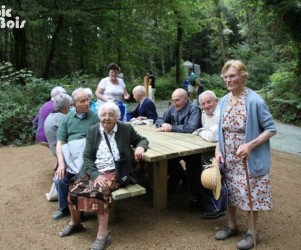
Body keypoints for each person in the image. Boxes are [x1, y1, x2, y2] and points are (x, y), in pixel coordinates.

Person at [58, 101, 149, 250]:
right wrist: (95, 174)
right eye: (103, 114)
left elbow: (141, 139)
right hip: (94, 170)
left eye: (111, 115)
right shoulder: (93, 130)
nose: (106, 118)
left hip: (116, 172)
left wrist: (140, 147)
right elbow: (87, 156)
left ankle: (103, 236)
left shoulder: (125, 129)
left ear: (117, 117)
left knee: (100, 193)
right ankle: (76, 223)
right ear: (99, 116)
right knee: (73, 192)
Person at [214, 60, 277, 250]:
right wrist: (218, 149)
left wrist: (250, 145)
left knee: (250, 194)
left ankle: (252, 232)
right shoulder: (224, 100)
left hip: (248, 158)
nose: (228, 80)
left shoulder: (255, 100)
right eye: (225, 77)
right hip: (229, 157)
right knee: (230, 192)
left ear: (243, 76)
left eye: (232, 76)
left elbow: (271, 129)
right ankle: (232, 226)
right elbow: (221, 131)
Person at [53, 88, 99, 220]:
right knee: (59, 179)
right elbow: (60, 143)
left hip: (87, 157)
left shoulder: (94, 117)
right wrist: (61, 164)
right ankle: (63, 208)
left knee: (81, 178)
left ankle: (80, 209)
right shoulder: (66, 119)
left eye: (88, 99)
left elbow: (98, 140)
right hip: (70, 156)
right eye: (83, 101)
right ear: (74, 104)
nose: (87, 103)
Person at [155, 88, 202, 199]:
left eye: (177, 100)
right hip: (175, 144)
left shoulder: (194, 109)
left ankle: (195, 196)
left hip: (192, 147)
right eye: (173, 100)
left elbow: (190, 128)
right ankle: (180, 177)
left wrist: (171, 127)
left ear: (185, 99)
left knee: (193, 164)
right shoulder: (172, 107)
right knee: (165, 159)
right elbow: (158, 119)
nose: (174, 103)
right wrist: (163, 124)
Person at [193, 90, 226, 219]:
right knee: (196, 168)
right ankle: (205, 202)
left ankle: (217, 208)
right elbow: (208, 133)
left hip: (220, 150)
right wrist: (205, 132)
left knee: (215, 178)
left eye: (209, 102)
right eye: (203, 103)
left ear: (216, 101)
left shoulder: (220, 114)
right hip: (208, 149)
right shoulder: (204, 113)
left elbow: (213, 136)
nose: (206, 106)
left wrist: (201, 131)